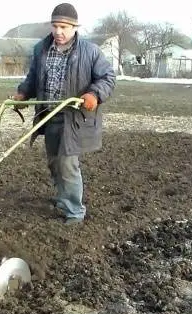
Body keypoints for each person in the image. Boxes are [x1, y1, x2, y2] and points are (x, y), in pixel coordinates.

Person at [13, 3, 116, 225]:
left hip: (73, 117)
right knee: (54, 162)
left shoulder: (90, 51)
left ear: (74, 27)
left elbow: (108, 78)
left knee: (67, 165)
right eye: (55, 26)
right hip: (49, 115)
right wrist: (22, 94)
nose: (58, 32)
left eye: (64, 27)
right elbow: (33, 78)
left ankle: (75, 212)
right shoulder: (41, 49)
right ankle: (63, 198)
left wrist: (94, 95)